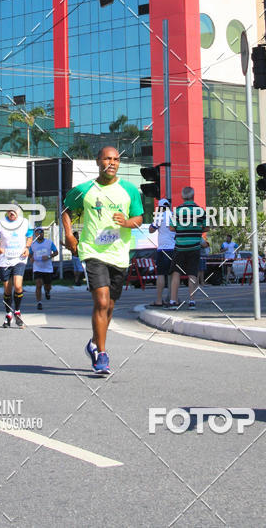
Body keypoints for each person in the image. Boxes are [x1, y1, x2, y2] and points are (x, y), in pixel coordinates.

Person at [63, 146, 143, 375]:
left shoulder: (129, 190)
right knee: (101, 300)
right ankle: (102, 354)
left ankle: (94, 343)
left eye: (116, 159)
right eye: (107, 158)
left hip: (119, 253)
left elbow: (139, 217)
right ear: (98, 161)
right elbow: (67, 210)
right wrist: (69, 234)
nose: (112, 162)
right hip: (92, 252)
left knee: (109, 306)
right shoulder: (85, 190)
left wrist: (127, 222)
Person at [0, 205, 34, 328]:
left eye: (14, 211)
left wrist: (27, 247)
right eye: (10, 211)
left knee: (18, 285)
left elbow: (30, 236)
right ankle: (8, 313)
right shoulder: (0, 224)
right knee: (7, 289)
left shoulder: (24, 222)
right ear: (7, 212)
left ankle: (18, 312)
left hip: (19, 258)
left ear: (18, 213)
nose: (12, 213)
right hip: (5, 259)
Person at [168, 187, 206, 310]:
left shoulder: (177, 211)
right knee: (192, 274)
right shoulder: (200, 211)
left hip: (180, 247)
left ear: (183, 197)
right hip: (194, 247)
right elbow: (206, 228)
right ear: (193, 196)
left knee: (176, 273)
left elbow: (172, 228)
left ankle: (173, 300)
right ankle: (192, 301)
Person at [148, 197, 174, 307]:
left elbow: (151, 229)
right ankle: (173, 299)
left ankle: (159, 300)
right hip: (174, 248)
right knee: (173, 275)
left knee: (161, 275)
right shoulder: (174, 215)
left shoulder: (159, 216)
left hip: (163, 248)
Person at [29, 227, 58, 310]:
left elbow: (56, 252)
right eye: (38, 233)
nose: (40, 234)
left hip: (47, 268)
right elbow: (30, 254)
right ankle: (39, 302)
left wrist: (49, 256)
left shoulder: (49, 242)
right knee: (38, 284)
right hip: (37, 267)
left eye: (41, 232)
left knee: (48, 285)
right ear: (35, 234)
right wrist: (31, 258)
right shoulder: (33, 244)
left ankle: (47, 291)